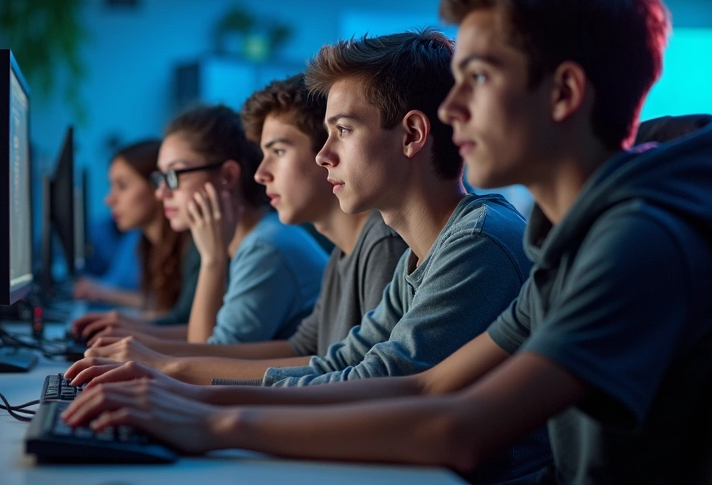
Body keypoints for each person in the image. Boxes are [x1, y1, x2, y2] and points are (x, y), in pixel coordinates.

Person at [60, 0, 712, 484]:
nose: (450, 109)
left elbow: (458, 431)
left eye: (477, 78)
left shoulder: (635, 242)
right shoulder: (567, 240)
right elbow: (426, 387)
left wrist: (213, 424)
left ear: (564, 93)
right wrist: (194, 399)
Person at [65, 29, 552, 483]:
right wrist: (189, 395)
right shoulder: (420, 257)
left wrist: (203, 408)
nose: (324, 156)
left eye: (342, 130)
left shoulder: (480, 242)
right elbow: (341, 362)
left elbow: (386, 383)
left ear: (411, 135)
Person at [78, 74, 408, 385]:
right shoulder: (341, 253)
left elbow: (360, 376)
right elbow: (301, 350)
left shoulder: (278, 245)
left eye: (278, 152)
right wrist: (155, 356)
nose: (262, 173)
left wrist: (170, 366)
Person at [76, 104, 327, 345]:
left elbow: (208, 351)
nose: (161, 193)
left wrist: (212, 259)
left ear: (227, 176)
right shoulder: (253, 240)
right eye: (160, 178)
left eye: (174, 175)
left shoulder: (264, 247)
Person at [71, 140, 200, 324]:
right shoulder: (142, 242)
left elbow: (183, 321)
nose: (109, 200)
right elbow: (160, 306)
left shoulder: (193, 247)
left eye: (122, 186)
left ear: (157, 186)